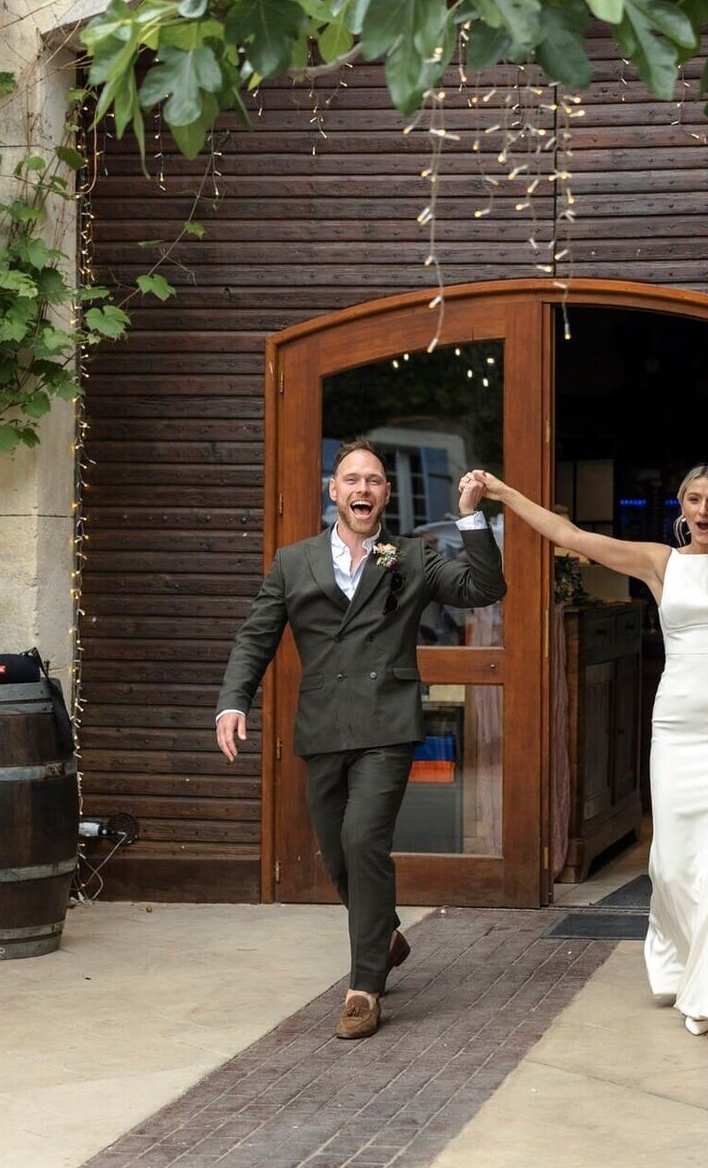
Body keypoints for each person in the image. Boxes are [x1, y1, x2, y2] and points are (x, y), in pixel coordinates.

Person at [473, 391, 708, 1038]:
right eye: (693, 499)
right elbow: (572, 536)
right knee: (672, 865)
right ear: (682, 508)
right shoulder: (660, 564)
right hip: (678, 729)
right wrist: (504, 493)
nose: (703, 510)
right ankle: (687, 962)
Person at [216, 439, 506, 1041]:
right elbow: (256, 637)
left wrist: (471, 516)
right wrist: (233, 701)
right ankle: (385, 935)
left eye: (373, 480)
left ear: (386, 494)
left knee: (363, 838)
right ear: (335, 492)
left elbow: (483, 588)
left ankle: (364, 987)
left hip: (387, 722)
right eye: (352, 479)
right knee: (336, 854)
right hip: (323, 726)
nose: (363, 489)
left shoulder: (412, 556)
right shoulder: (293, 562)